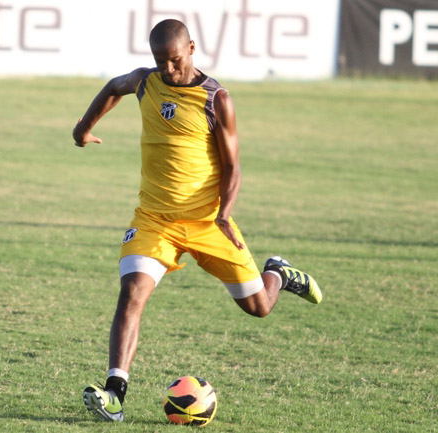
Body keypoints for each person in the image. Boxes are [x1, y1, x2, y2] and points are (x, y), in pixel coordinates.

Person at [72, 19, 322, 422]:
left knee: (259, 307)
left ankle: (277, 272)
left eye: (174, 60)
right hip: (154, 220)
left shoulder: (216, 99)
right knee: (132, 292)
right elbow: (113, 87)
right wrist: (83, 128)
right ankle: (115, 394)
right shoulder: (145, 82)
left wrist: (224, 214)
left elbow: (233, 167)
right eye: (160, 62)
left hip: (208, 222)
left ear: (191, 48)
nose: (168, 70)